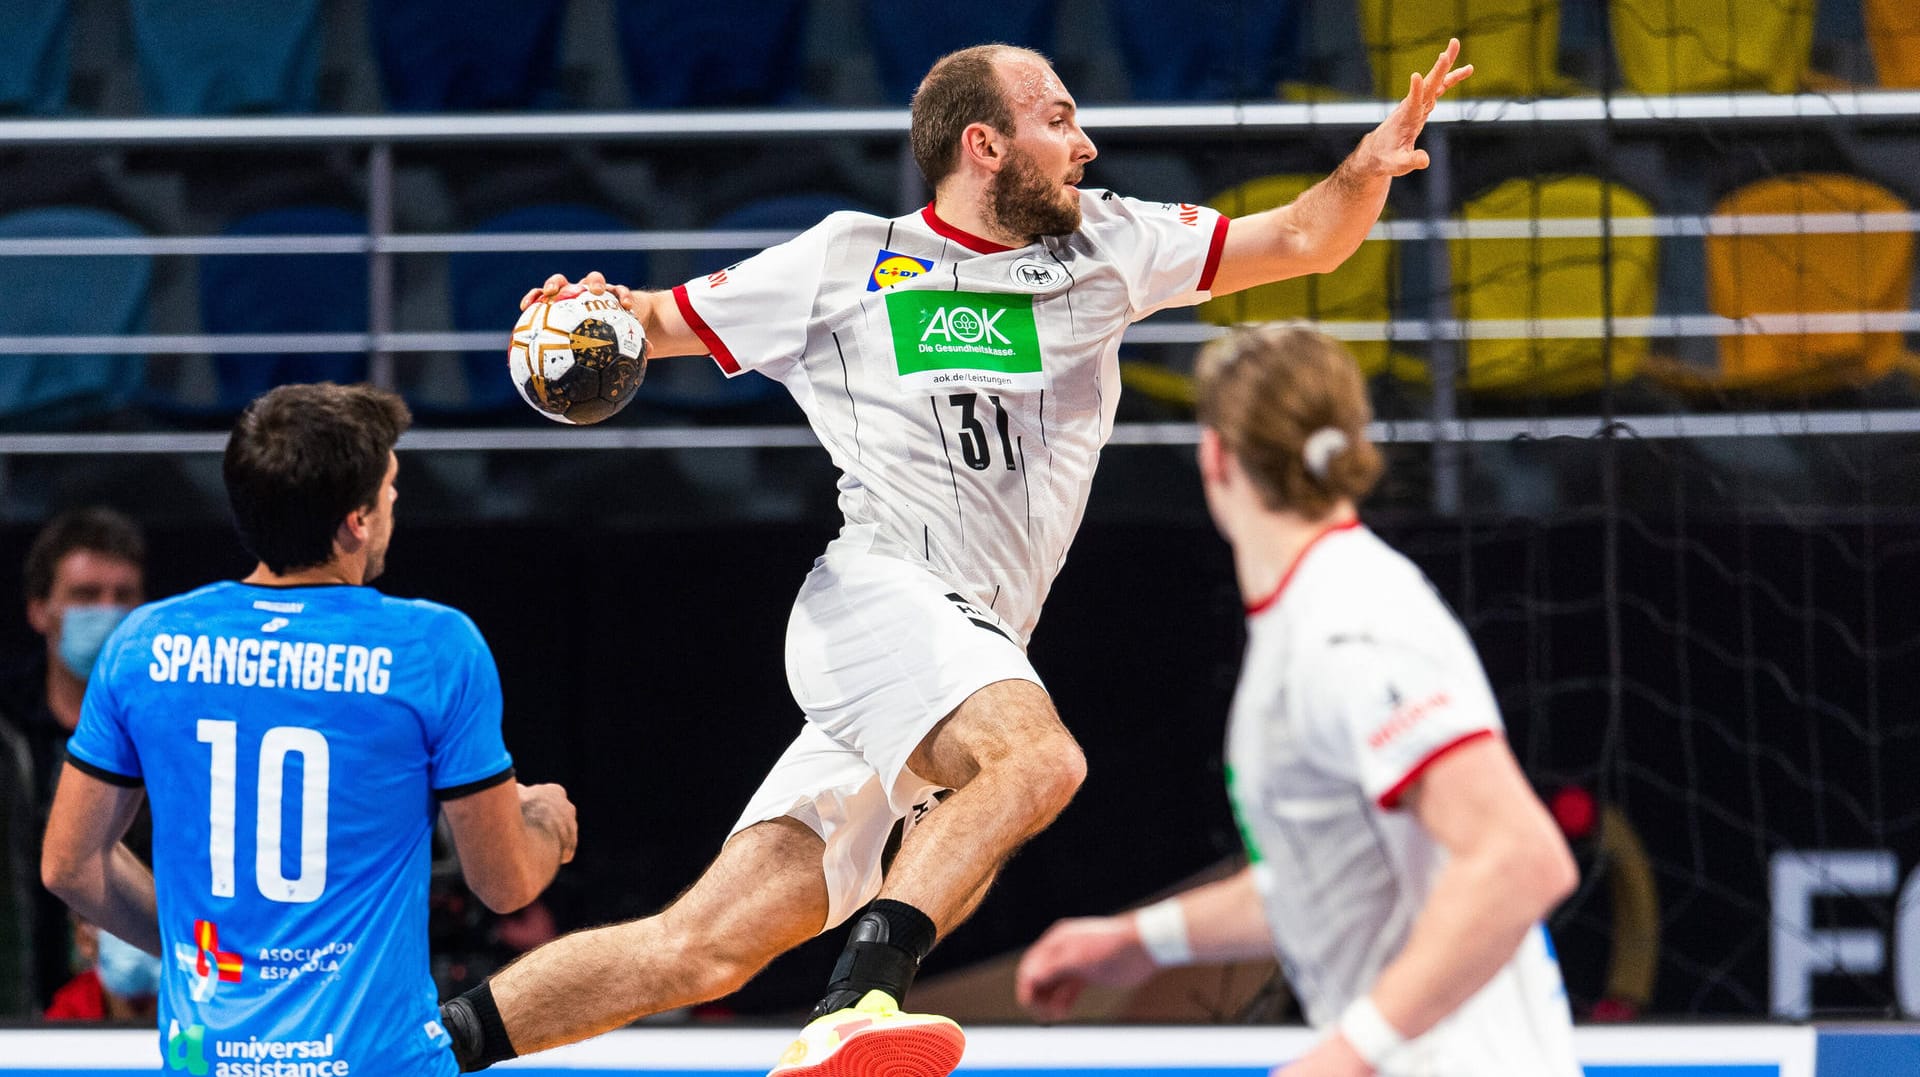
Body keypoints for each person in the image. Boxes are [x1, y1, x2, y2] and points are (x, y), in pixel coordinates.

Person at [438, 40, 1475, 1077]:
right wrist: (575, 317)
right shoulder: (845, 258)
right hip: (879, 600)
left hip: (963, 649)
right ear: (984, 144)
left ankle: (424, 1045)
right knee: (1036, 758)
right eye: (1060, 119)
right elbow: (647, 324)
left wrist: (1364, 171)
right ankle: (859, 1002)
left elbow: (1302, 238)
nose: (1088, 141)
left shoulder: (1109, 241)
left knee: (703, 949)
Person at [1013, 324, 1582, 1076]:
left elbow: (1521, 859)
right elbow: (1326, 880)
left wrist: (1349, 1054)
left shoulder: (1351, 624)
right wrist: (1138, 942)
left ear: (1214, 454)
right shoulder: (1313, 611)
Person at [39, 383, 579, 1076]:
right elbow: (504, 885)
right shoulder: (433, 647)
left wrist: (206, 947)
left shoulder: (146, 644)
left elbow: (69, 863)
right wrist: (547, 823)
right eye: (388, 488)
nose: (392, 503)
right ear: (356, 518)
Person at [0, 506, 147, 1011]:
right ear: (39, 609)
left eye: (124, 597)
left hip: (133, 1017)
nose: (108, 612)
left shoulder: (174, 736)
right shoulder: (8, 733)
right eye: (86, 596)